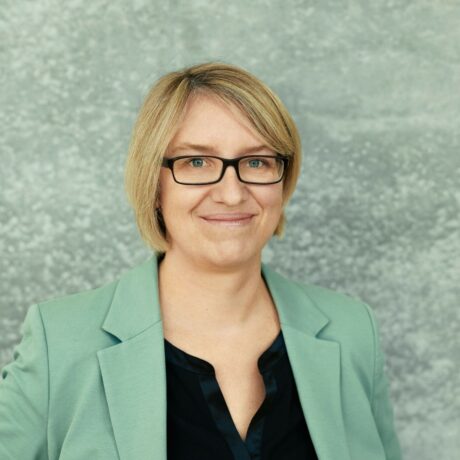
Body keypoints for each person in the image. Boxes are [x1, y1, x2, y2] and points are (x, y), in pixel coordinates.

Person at [0, 61, 403, 460]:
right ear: (154, 184)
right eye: (196, 162)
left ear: (282, 180)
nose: (232, 193)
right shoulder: (61, 342)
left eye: (257, 161)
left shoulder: (352, 332)